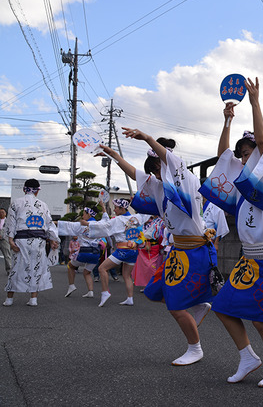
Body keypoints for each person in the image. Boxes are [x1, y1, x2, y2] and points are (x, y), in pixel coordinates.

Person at [200, 78, 263, 388]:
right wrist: (227, 120)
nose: (243, 157)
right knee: (224, 308)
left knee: (261, 319)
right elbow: (222, 156)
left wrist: (255, 103)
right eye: (242, 153)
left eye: (249, 151)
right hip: (248, 258)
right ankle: (248, 357)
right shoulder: (242, 179)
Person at [99, 134, 216, 366]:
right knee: (154, 292)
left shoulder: (186, 179)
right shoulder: (159, 186)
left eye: (158, 167)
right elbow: (135, 174)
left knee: (175, 305)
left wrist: (146, 138)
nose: (155, 175)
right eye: (153, 171)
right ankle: (198, 304)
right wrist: (113, 155)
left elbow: (169, 161)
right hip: (178, 251)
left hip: (194, 250)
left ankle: (195, 348)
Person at [3, 179, 60, 306]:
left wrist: (11, 241)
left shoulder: (16, 203)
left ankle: (9, 299)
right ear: (37, 191)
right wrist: (53, 240)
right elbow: (49, 225)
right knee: (36, 268)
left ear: (24, 189)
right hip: (39, 241)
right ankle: (33, 299)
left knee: (17, 268)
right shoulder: (43, 205)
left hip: (21, 240)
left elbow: (11, 223)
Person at [81, 198, 147, 307]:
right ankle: (130, 298)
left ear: (122, 208)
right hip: (134, 251)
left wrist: (88, 224)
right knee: (126, 275)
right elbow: (146, 213)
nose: (114, 210)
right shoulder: (137, 217)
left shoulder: (118, 220)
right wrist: (137, 201)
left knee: (102, 268)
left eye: (116, 208)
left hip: (123, 250)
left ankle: (105, 292)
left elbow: (104, 226)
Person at [57, 207, 105, 299]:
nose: (82, 216)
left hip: (84, 252)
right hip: (96, 254)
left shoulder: (81, 225)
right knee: (87, 272)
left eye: (84, 213)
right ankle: (90, 291)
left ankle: (71, 286)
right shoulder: (100, 224)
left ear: (89, 214)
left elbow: (66, 225)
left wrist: (53, 223)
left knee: (70, 266)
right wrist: (103, 207)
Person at [132, 215, 165, 290]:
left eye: (151, 217)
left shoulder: (159, 222)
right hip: (144, 247)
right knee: (144, 266)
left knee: (151, 266)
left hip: (153, 247)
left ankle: (153, 285)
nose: (150, 219)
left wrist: (161, 247)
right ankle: (147, 284)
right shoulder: (142, 225)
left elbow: (161, 236)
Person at [0, 208, 13, 275]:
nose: (1, 213)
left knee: (7, 255)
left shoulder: (8, 222)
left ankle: (9, 269)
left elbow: (10, 231)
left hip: (4, 240)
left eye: (2, 212)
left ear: (5, 213)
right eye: (0, 212)